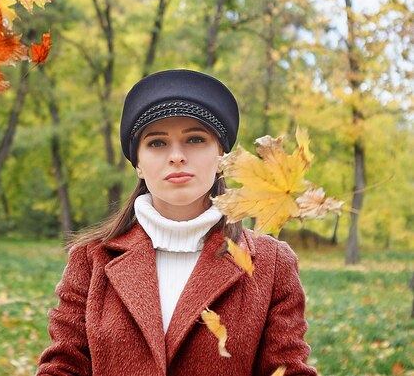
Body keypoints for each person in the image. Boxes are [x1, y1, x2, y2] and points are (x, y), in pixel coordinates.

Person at [36, 69, 317, 376]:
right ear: (139, 164)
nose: (177, 156)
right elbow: (63, 367)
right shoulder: (90, 260)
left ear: (221, 154)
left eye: (195, 139)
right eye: (157, 143)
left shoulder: (271, 265)